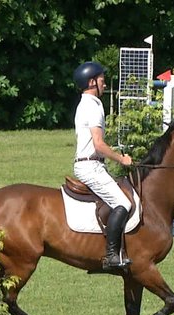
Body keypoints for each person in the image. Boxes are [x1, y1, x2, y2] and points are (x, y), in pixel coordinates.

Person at [72, 61, 134, 271]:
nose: (105, 84)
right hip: (90, 166)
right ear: (92, 82)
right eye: (102, 80)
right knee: (123, 204)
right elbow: (98, 145)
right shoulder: (92, 106)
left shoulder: (86, 104)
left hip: (92, 164)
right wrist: (121, 159)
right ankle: (111, 256)